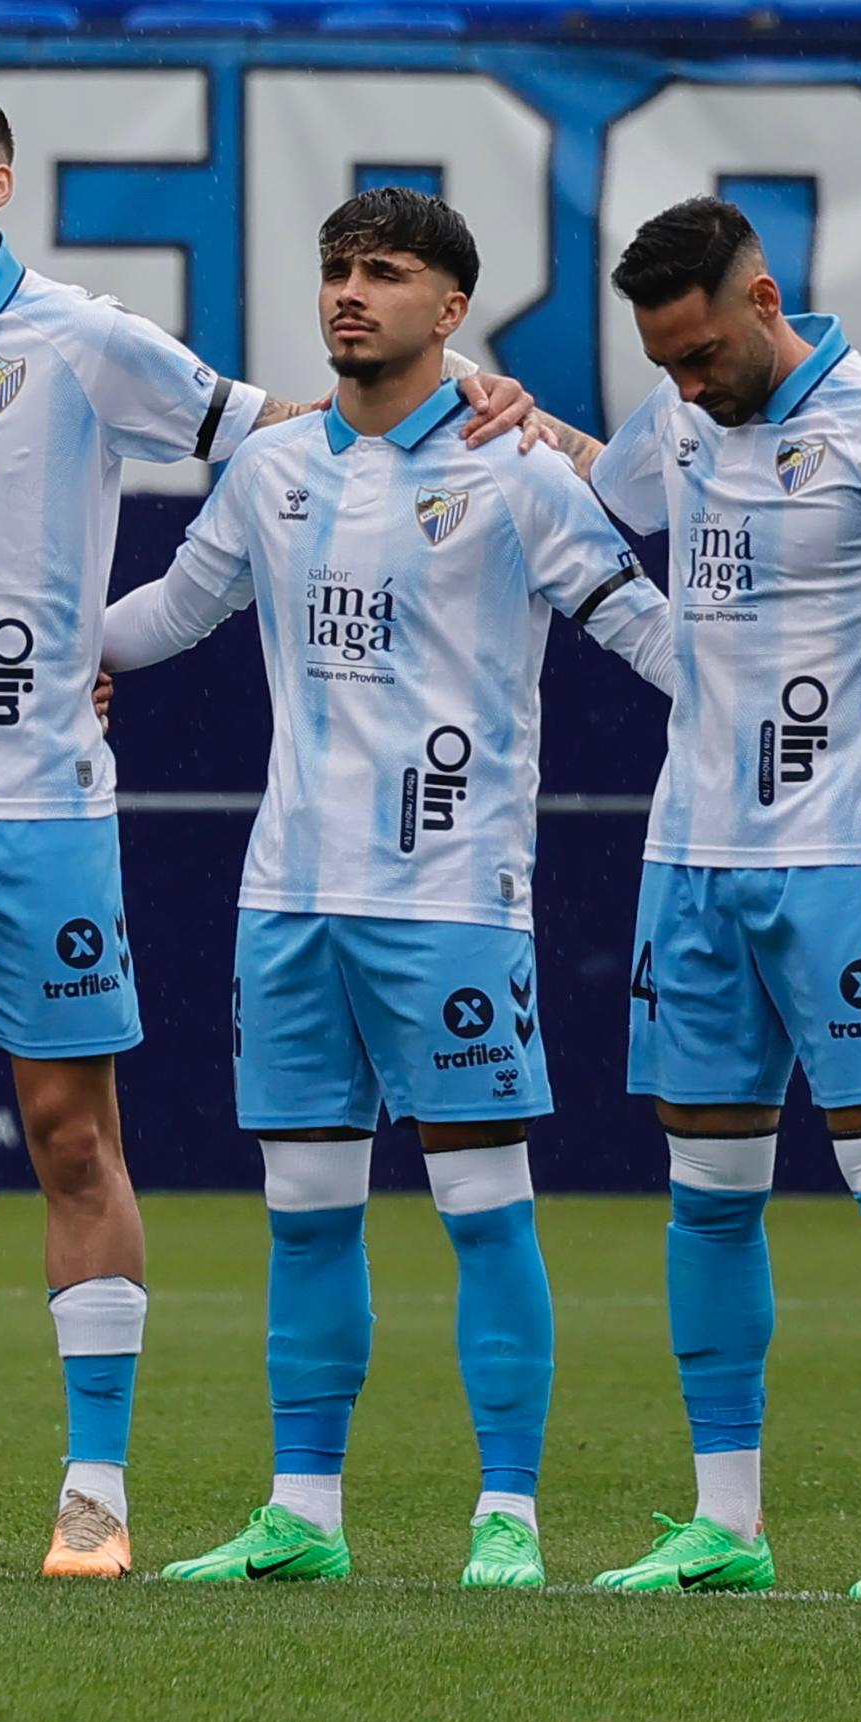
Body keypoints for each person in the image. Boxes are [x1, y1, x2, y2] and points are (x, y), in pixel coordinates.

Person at [0, 81, 533, 1580]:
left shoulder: (84, 338)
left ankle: (95, 1497)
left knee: (72, 1138)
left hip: (38, 810)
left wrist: (472, 395)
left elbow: (278, 427)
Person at [99, 190, 676, 1593]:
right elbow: (174, 611)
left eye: (387, 273)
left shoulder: (520, 469)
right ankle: (303, 1508)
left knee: (486, 1206)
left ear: (453, 308)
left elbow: (653, 636)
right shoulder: (275, 465)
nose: (351, 293)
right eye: (337, 269)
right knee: (305, 1212)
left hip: (453, 898)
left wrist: (813, 696)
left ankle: (509, 1517)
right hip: (289, 898)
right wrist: (47, 648)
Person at [587, 197, 861, 1604]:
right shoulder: (680, 410)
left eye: (701, 352)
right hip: (690, 862)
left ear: (763, 298)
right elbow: (615, 496)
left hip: (846, 858)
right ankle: (727, 1524)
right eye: (664, 364)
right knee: (706, 1197)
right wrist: (532, 431)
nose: (685, 385)